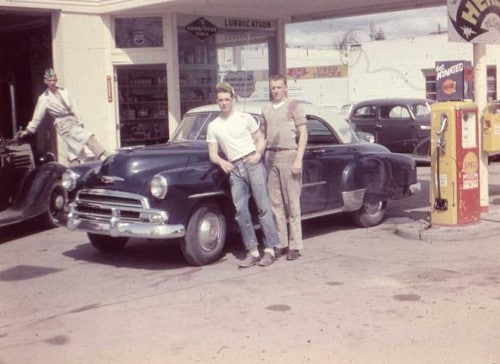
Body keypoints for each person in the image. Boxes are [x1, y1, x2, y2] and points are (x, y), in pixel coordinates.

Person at [207, 82, 280, 268]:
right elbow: (213, 153)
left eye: (227, 99)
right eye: (221, 100)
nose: (224, 103)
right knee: (241, 212)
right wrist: (222, 162)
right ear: (217, 102)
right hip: (235, 169)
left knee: (263, 207)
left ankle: (270, 249)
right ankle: (253, 251)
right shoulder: (213, 126)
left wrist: (258, 155)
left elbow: (260, 139)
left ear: (233, 100)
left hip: (252, 163)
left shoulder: (244, 118)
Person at [17, 68, 109, 165]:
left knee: (74, 152)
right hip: (63, 124)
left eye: (54, 80)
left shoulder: (64, 91)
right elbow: (37, 117)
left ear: (56, 79)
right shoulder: (44, 98)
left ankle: (74, 171)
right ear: (45, 81)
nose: (52, 82)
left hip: (73, 120)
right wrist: (28, 130)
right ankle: (107, 156)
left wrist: (79, 121)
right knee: (87, 137)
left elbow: (74, 106)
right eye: (49, 80)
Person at [261, 74, 308, 261]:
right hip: (270, 156)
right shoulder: (265, 108)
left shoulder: (294, 106)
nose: (276, 91)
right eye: (273, 88)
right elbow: (263, 134)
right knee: (275, 204)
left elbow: (303, 134)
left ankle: (295, 246)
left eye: (279, 87)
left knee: (292, 204)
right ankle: (281, 243)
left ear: (286, 88)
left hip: (289, 155)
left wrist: (298, 159)